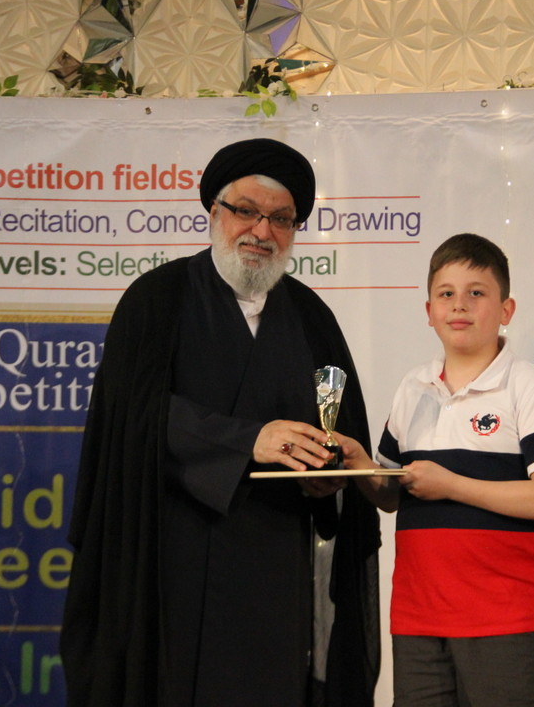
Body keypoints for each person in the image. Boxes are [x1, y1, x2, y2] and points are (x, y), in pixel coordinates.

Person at [60, 138, 381, 707]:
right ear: (215, 212)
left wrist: (327, 477)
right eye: (247, 211)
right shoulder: (156, 301)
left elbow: (338, 427)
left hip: (278, 569)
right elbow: (132, 418)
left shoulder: (312, 318)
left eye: (281, 219)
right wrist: (248, 440)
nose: (261, 231)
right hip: (170, 559)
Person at [339, 233, 534, 706]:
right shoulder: (413, 388)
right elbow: (392, 493)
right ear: (429, 311)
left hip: (504, 618)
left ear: (506, 309)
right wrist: (359, 464)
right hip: (418, 618)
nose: (459, 305)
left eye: (476, 292)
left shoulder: (529, 387)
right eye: (446, 293)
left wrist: (452, 485)